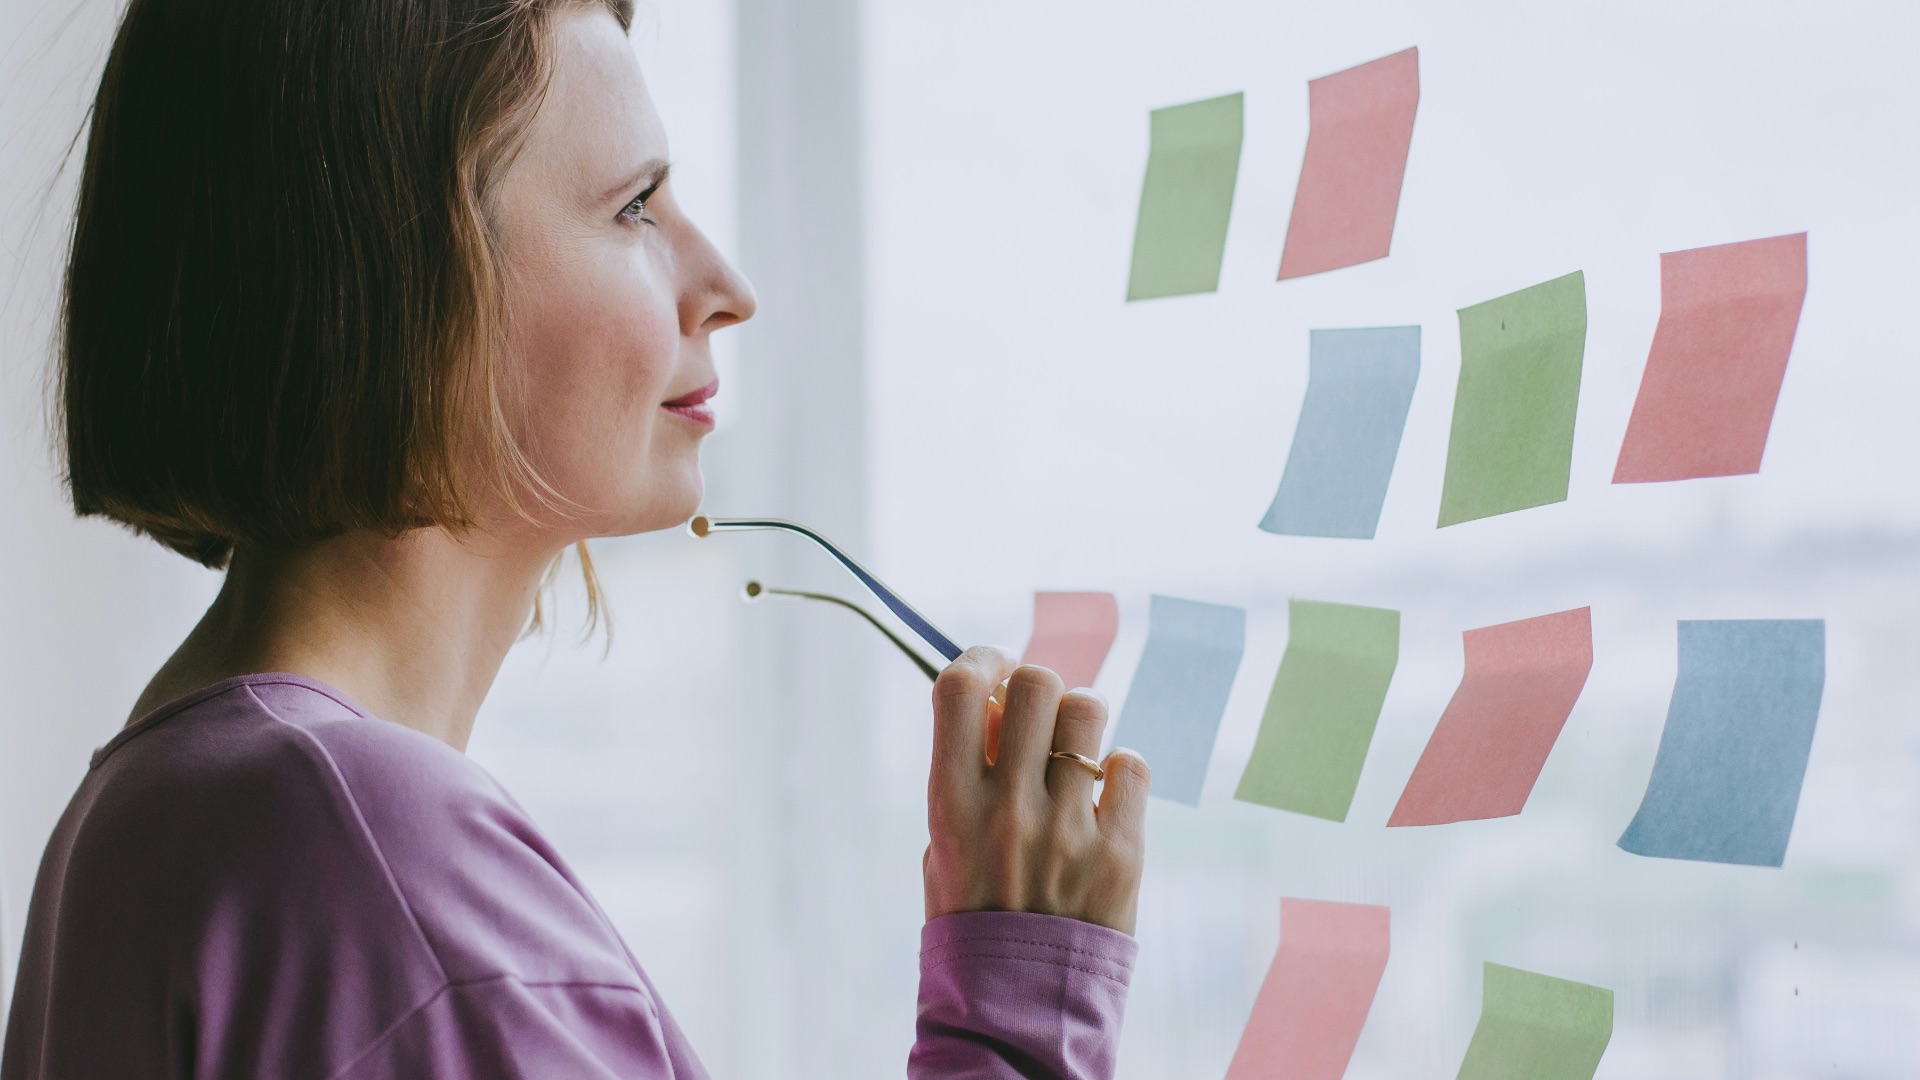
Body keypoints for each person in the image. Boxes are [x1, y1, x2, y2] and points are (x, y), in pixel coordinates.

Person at [0, 0, 1152, 1076]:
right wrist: (1019, 1008)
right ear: (408, 280)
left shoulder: (159, 810)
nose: (727, 287)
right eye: (636, 206)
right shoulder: (369, 852)